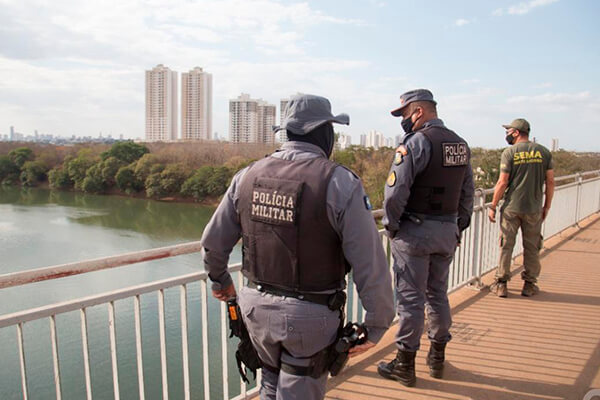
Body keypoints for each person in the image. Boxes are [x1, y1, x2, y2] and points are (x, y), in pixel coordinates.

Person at [201, 94, 395, 400]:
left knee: (269, 384)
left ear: (287, 133)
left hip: (255, 309)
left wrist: (220, 281)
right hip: (310, 317)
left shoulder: (247, 176)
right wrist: (377, 323)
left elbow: (212, 244)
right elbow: (369, 261)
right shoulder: (340, 182)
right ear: (324, 133)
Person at [377, 89, 474, 386]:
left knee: (410, 300)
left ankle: (405, 365)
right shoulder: (460, 144)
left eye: (405, 114)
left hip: (415, 233)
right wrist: (458, 224)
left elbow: (395, 193)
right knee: (437, 295)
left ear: (418, 111)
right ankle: (437, 358)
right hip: (446, 232)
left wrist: (392, 226)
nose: (404, 121)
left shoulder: (416, 143)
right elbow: (467, 190)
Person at [488, 118, 554, 298]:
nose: (507, 135)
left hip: (511, 208)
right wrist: (546, 206)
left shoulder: (510, 153)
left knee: (506, 246)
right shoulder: (544, 152)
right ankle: (529, 285)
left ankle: (501, 284)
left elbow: (502, 182)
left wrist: (493, 205)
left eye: (509, 131)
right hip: (533, 209)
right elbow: (550, 181)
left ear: (517, 132)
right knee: (532, 247)